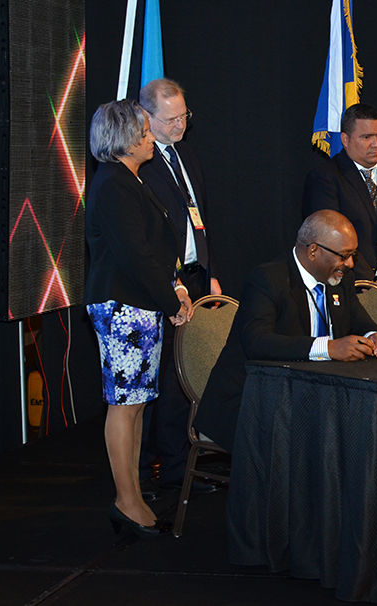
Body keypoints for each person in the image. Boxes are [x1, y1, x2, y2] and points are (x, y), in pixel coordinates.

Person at [194, 211, 377, 452]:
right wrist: (329, 348)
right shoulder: (267, 279)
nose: (350, 264)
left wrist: (374, 334)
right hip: (251, 400)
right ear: (313, 251)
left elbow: (358, 320)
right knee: (322, 438)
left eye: (353, 255)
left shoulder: (341, 279)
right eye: (344, 255)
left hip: (313, 397)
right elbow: (257, 342)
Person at [84, 100, 193, 537]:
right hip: (123, 307)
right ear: (126, 139)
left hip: (138, 306)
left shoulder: (128, 179)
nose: (151, 138)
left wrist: (174, 287)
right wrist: (171, 301)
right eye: (145, 132)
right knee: (124, 405)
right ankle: (126, 501)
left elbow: (153, 250)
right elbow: (135, 256)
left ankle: (131, 497)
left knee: (136, 404)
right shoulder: (114, 183)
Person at [136, 78, 220, 497]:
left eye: (184, 116)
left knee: (181, 382)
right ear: (145, 118)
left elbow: (200, 218)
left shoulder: (186, 153)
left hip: (194, 277)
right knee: (152, 383)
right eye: (170, 119)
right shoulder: (138, 162)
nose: (180, 125)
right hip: (160, 283)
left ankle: (176, 469)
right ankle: (138, 475)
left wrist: (209, 271)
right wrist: (172, 285)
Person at [303, 104, 377, 290]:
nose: (376, 144)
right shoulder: (325, 178)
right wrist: (366, 280)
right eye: (366, 137)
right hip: (347, 286)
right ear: (345, 139)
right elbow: (329, 238)